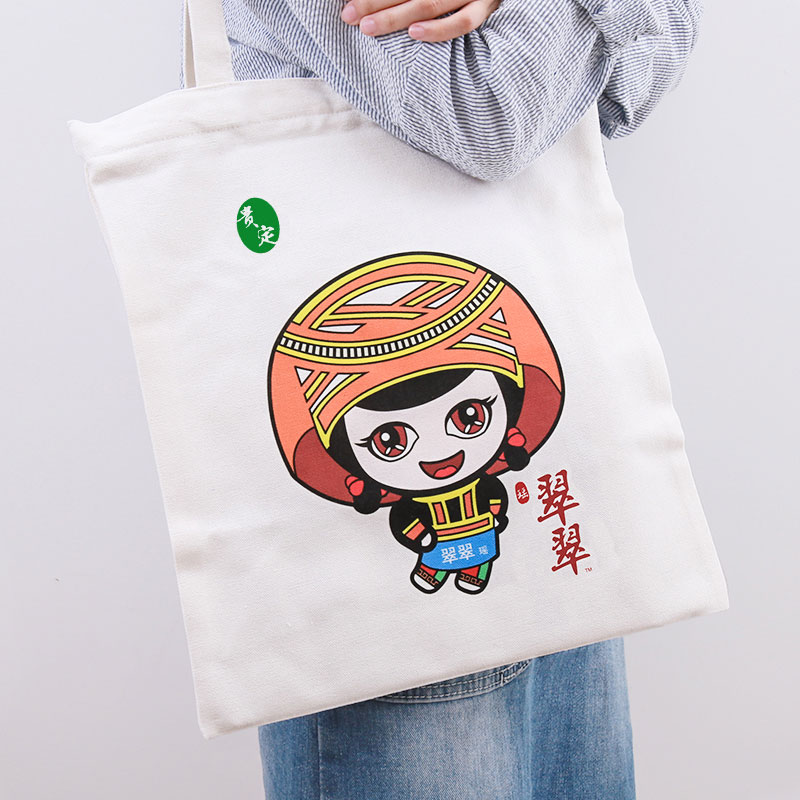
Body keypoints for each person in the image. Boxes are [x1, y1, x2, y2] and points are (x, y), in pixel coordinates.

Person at [195, 1, 704, 797]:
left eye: (464, 418)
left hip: (564, 556)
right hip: (388, 616)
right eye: (393, 442)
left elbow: (635, 72)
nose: (434, 451)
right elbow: (490, 117)